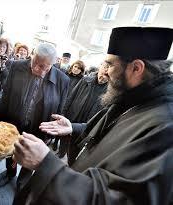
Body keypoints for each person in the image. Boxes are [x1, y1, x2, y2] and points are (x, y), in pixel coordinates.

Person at [12, 27, 173, 205]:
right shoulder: (131, 98)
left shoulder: (165, 127)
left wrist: (46, 164)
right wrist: (73, 127)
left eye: (110, 64)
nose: (105, 72)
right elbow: (106, 137)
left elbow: (122, 200)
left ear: (136, 68)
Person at [0, 43, 69, 187]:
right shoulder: (17, 67)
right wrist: (0, 123)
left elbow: (60, 110)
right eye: (34, 62)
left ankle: (22, 182)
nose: (36, 68)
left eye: (43, 67)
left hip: (38, 128)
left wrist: (51, 134)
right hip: (14, 122)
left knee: (31, 157)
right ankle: (9, 173)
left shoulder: (62, 80)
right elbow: (6, 96)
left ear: (53, 64)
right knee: (11, 150)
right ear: (32, 55)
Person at [53, 63, 108, 157]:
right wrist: (63, 112)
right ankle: (61, 152)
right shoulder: (85, 80)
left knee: (76, 145)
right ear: (100, 67)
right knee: (65, 136)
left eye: (107, 75)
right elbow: (71, 97)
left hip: (87, 122)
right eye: (104, 69)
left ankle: (71, 159)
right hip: (73, 115)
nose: (103, 76)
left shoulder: (109, 90)